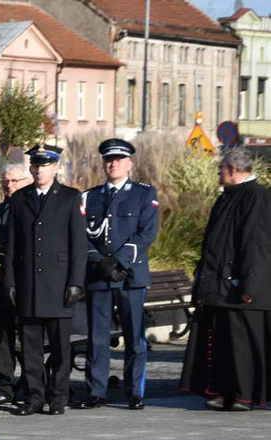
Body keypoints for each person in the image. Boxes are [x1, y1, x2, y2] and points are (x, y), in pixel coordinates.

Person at [181, 147, 271, 411]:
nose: (219, 173)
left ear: (231, 169)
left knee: (241, 344)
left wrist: (249, 285)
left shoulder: (257, 197)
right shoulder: (226, 197)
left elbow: (256, 244)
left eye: (221, 168)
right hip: (218, 286)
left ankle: (244, 394)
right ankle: (223, 391)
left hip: (241, 288)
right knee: (220, 341)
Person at [76, 139, 160, 411]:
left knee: (134, 336)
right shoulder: (90, 196)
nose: (113, 164)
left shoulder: (144, 194)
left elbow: (146, 233)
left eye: (119, 160)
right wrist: (101, 262)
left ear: (129, 164)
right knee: (98, 337)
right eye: (109, 160)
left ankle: (135, 391)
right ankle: (96, 391)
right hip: (100, 275)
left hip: (130, 274)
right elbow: (82, 236)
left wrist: (118, 261)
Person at [5, 145, 85, 415]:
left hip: (59, 285)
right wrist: (11, 281)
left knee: (61, 349)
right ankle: (34, 397)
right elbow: (13, 245)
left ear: (55, 168)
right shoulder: (20, 199)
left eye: (45, 166)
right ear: (31, 169)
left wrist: (76, 282)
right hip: (29, 284)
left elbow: (78, 245)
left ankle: (59, 397)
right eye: (36, 166)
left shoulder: (70, 198)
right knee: (30, 349)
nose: (40, 170)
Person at [0, 164, 31, 406]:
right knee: (0, 336)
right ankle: (5, 384)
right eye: (6, 182)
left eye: (15, 181)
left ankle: (30, 383)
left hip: (27, 283)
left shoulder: (34, 210)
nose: (9, 186)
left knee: (27, 335)